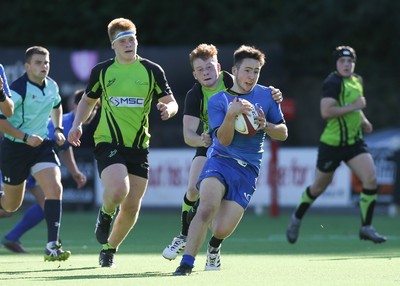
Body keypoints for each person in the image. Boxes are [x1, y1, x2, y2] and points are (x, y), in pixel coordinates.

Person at [68, 17, 178, 268]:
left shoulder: (152, 70)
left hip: (139, 147)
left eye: (132, 39)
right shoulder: (103, 71)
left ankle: (109, 249)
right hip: (108, 141)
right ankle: (105, 214)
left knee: (130, 207)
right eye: (123, 41)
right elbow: (87, 100)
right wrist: (77, 125)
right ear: (113, 46)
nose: (129, 44)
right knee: (119, 190)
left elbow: (171, 101)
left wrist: (168, 109)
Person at [173, 45, 288, 275]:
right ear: (234, 71)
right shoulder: (218, 101)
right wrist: (231, 114)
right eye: (247, 70)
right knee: (205, 209)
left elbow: (283, 133)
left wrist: (265, 125)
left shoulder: (267, 95)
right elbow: (223, 140)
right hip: (220, 160)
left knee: (221, 228)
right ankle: (186, 264)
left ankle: (214, 247)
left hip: (248, 170)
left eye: (256, 71)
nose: (251, 76)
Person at [286, 46, 386, 244]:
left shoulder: (357, 81)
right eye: (342, 61)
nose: (346, 65)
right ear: (336, 64)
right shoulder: (333, 82)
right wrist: (355, 108)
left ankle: (366, 227)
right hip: (332, 145)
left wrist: (363, 119)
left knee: (371, 179)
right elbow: (326, 111)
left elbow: (355, 107)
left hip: (354, 143)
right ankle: (296, 219)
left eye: (350, 61)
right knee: (317, 188)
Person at [0, 89, 96, 253]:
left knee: (26, 206)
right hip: (26, 163)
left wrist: (74, 171)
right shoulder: (66, 122)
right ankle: (49, 243)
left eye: (94, 108)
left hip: (34, 166)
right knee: (43, 203)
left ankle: (15, 237)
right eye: (88, 107)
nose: (91, 112)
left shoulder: (74, 124)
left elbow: (65, 148)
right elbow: (41, 145)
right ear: (75, 106)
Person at [0, 46, 71, 261]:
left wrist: (58, 129)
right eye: (38, 63)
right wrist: (24, 137)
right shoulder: (19, 88)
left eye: (46, 62)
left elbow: (57, 105)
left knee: (55, 188)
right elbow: (3, 119)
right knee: (11, 206)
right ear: (27, 66)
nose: (44, 66)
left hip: (41, 146)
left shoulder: (52, 86)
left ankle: (52, 245)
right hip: (16, 148)